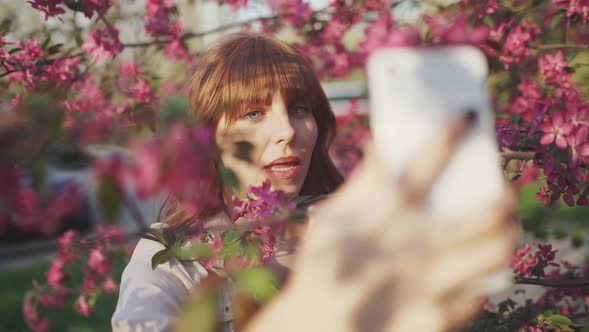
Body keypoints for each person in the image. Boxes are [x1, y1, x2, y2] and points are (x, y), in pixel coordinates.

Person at [112, 33, 518, 332]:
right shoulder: (168, 264)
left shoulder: (354, 232)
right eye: (253, 113)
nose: (287, 130)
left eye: (299, 108)